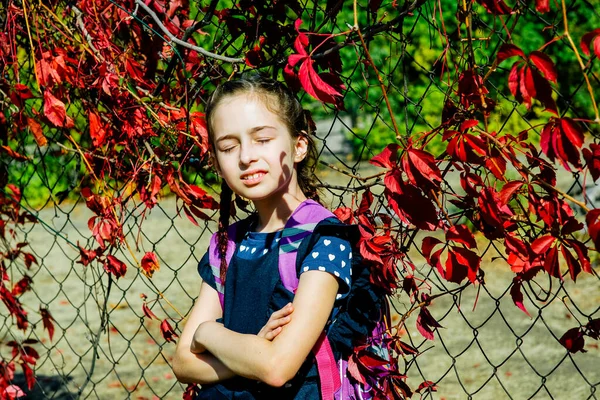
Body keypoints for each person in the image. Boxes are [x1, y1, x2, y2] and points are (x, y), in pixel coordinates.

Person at [173, 74, 364, 399]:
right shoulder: (227, 244)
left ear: (299, 146)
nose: (246, 156)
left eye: (262, 139)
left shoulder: (323, 239)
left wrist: (208, 334)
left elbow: (277, 367)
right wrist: (253, 350)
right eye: (229, 146)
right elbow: (183, 362)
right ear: (217, 163)